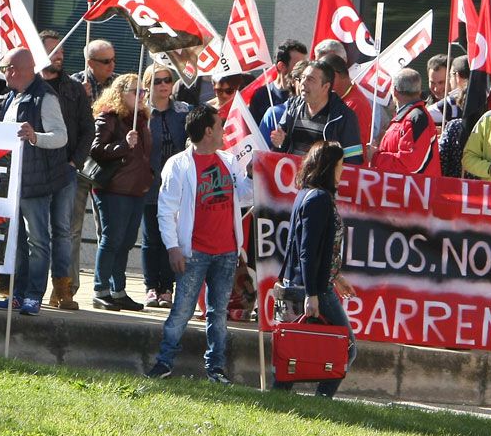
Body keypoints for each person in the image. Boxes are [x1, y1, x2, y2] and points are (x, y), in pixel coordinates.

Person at [146, 104, 253, 383]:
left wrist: (252, 175)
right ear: (208, 131)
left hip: (227, 251)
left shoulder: (229, 161)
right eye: (219, 126)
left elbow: (245, 197)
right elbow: (165, 209)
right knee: (182, 309)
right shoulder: (179, 165)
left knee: (218, 313)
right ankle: (164, 361)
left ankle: (215, 368)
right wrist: (173, 247)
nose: (223, 130)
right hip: (193, 252)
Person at [0, 48, 69, 316]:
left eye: (5, 68)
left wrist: (35, 137)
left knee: (38, 241)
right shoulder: (11, 97)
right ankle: (17, 294)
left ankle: (34, 296)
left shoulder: (44, 98)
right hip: (11, 181)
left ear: (16, 70)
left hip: (35, 184)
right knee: (16, 241)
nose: (3, 73)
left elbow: (61, 137)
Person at [271, 141, 357, 398]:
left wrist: (337, 276)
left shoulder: (308, 194)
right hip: (312, 287)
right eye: (340, 166)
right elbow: (307, 251)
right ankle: (321, 400)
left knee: (293, 350)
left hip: (305, 284)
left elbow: (317, 247)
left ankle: (278, 398)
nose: (343, 172)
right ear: (330, 167)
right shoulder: (319, 199)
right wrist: (312, 293)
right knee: (347, 348)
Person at [39, 29, 93, 310]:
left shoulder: (74, 89)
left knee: (64, 231)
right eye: (53, 50)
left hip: (65, 171)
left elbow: (88, 128)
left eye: (61, 50)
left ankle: (64, 289)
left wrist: (75, 161)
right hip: (33, 171)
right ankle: (28, 287)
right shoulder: (28, 85)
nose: (60, 55)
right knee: (34, 233)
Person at [89, 74, 152, 311]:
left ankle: (118, 290)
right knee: (112, 239)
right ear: (121, 93)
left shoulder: (143, 118)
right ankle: (100, 289)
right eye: (136, 91)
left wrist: (149, 175)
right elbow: (96, 149)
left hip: (136, 188)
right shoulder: (109, 116)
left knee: (125, 241)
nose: (142, 96)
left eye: (143, 92)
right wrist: (124, 145)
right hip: (113, 187)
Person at [67, 39, 119, 301]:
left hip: (106, 167)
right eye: (106, 61)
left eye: (113, 59)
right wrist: (81, 101)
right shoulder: (73, 84)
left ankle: (105, 286)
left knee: (107, 229)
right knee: (73, 228)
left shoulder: (118, 86)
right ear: (90, 63)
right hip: (78, 165)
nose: (112, 65)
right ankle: (69, 287)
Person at [141, 64, 191, 308]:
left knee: (172, 239)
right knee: (152, 238)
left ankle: (166, 290)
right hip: (149, 184)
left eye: (167, 80)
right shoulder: (140, 113)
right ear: (147, 85)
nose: (163, 85)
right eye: (157, 81)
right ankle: (151, 287)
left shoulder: (182, 111)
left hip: (176, 186)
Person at [271, 60, 362, 164]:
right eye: (303, 78)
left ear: (326, 87)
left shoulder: (343, 116)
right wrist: (280, 141)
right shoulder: (293, 106)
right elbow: (279, 146)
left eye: (310, 79)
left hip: (323, 180)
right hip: (291, 177)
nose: (303, 83)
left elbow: (353, 162)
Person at [370, 68, 440, 177]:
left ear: (395, 91)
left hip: (413, 191)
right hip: (404, 189)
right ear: (419, 91)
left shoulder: (416, 118)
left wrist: (375, 156)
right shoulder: (410, 117)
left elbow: (409, 165)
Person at [247, 39, 308, 126]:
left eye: (305, 64)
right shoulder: (261, 95)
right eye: (298, 65)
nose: (304, 69)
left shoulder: (305, 93)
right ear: (281, 66)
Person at [259, 60, 308, 146]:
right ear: (293, 81)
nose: (307, 84)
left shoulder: (328, 114)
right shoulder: (274, 114)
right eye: (302, 79)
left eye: (312, 80)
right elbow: (261, 152)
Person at [428, 53, 470, 123]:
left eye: (441, 82)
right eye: (432, 82)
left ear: (457, 76)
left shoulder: (451, 104)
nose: (436, 89)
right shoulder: (425, 104)